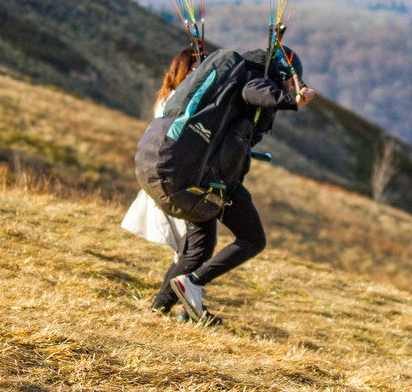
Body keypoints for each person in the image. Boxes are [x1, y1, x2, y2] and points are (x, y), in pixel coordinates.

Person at [149, 45, 318, 324]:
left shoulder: (235, 75)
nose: (294, 86)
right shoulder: (252, 78)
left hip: (194, 170)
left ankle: (160, 308)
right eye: (291, 79)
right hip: (214, 178)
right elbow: (253, 92)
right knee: (252, 239)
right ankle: (193, 284)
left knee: (199, 249)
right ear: (280, 72)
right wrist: (291, 99)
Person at [121, 48, 197, 256]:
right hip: (170, 168)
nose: (195, 76)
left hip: (168, 166)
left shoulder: (170, 95)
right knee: (184, 232)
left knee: (184, 232)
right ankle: (181, 280)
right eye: (192, 71)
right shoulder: (175, 99)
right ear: (183, 71)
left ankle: (181, 277)